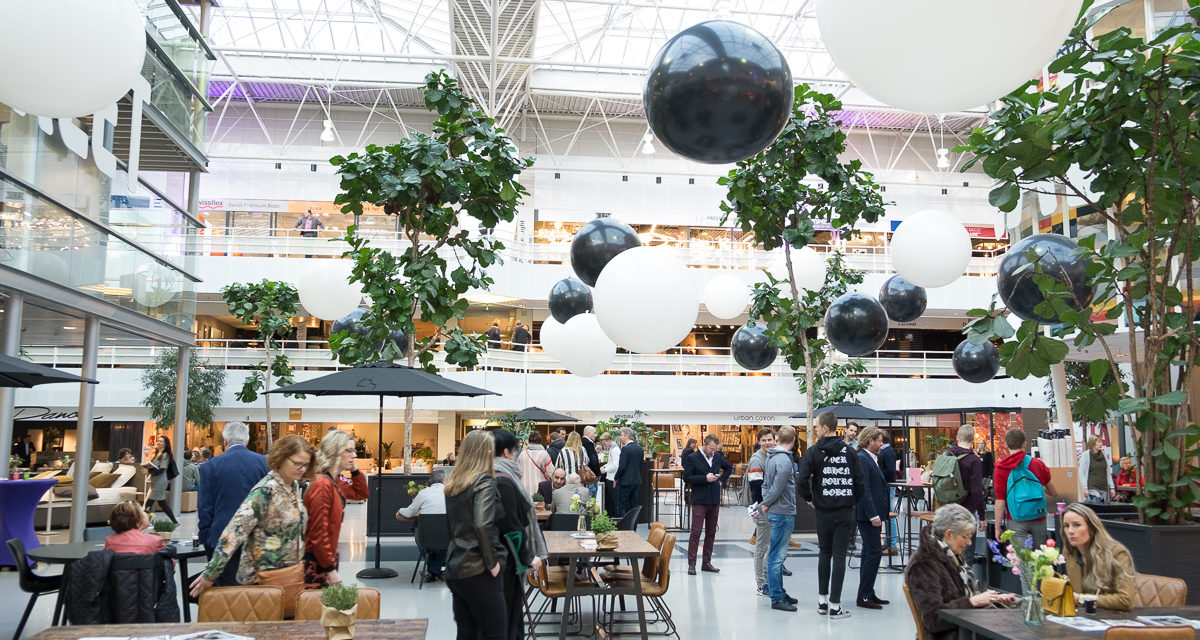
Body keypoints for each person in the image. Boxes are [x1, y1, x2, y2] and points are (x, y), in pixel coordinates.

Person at [190, 435, 315, 596]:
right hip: (262, 581)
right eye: (297, 463)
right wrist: (211, 573)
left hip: (286, 577)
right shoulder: (266, 491)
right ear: (281, 458)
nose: (303, 469)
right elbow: (234, 531)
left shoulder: (291, 487)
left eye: (306, 464)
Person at [905, 504, 1016, 640]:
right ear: (949, 534)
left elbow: (961, 595)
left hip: (965, 629)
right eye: (965, 537)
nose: (969, 542)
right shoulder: (923, 564)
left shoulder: (949, 554)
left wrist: (991, 600)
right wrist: (972, 602)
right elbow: (932, 619)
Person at [798, 411, 863, 620]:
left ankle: (822, 600)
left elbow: (802, 479)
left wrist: (810, 498)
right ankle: (835, 605)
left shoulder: (814, 452)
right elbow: (860, 482)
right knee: (840, 556)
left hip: (823, 510)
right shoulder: (850, 452)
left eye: (817, 426)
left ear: (825, 428)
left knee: (824, 553)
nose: (816, 430)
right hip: (844, 510)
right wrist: (852, 500)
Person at [444, 430, 506, 640]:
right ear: (486, 452)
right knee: (495, 633)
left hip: (455, 567)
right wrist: (492, 563)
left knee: (467, 631)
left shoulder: (454, 485)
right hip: (478, 568)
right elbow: (482, 524)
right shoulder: (485, 482)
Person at [197, 421, 270, 586]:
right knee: (255, 592)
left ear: (225, 440)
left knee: (226, 593)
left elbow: (205, 506)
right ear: (247, 439)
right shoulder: (264, 464)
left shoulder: (211, 466)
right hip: (256, 538)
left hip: (221, 537)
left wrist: (206, 538)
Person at [492, 428, 548, 640]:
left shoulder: (489, 474)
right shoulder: (504, 480)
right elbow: (511, 525)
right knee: (511, 616)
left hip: (501, 557)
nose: (516, 454)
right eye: (514, 451)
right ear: (506, 452)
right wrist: (526, 556)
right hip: (509, 560)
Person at [304, 430, 368, 587]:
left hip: (326, 558)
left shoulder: (334, 481)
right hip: (318, 563)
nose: (354, 456)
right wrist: (330, 569)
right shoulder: (323, 485)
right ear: (334, 452)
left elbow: (362, 493)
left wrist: (354, 470)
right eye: (349, 450)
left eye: (354, 450)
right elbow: (318, 532)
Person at [1060, 502, 1136, 611]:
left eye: (1076, 525)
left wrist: (1082, 599)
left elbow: (1126, 600)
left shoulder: (1117, 553)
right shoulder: (1071, 554)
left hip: (1113, 619)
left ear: (1091, 528)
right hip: (1084, 619)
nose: (1070, 531)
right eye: (1066, 526)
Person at [758, 425, 799, 612]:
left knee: (777, 555)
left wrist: (767, 502)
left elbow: (768, 484)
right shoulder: (783, 460)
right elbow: (777, 486)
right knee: (776, 556)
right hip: (782, 511)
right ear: (793, 440)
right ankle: (776, 596)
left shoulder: (772, 457)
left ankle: (779, 591)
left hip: (777, 510)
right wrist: (766, 502)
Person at [994, 428, 1057, 548]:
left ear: (1006, 444)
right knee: (1042, 558)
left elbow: (1000, 502)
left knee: (1021, 561)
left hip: (1015, 518)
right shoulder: (1038, 464)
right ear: (1025, 443)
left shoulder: (1001, 468)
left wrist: (998, 527)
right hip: (1039, 516)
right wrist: (1040, 487)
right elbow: (1054, 492)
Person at [683, 434, 732, 575]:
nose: (713, 452)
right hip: (699, 499)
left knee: (711, 532)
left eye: (715, 449)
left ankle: (706, 562)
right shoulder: (692, 458)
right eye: (711, 449)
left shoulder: (717, 457)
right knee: (696, 532)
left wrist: (721, 480)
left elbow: (728, 468)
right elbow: (687, 477)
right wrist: (705, 478)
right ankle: (691, 564)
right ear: (704, 445)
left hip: (714, 499)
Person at [854, 426, 890, 610]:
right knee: (874, 551)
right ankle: (865, 595)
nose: (881, 444)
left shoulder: (870, 458)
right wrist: (873, 514)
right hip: (867, 515)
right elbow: (864, 489)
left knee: (870, 551)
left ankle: (867, 592)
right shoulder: (862, 459)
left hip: (870, 513)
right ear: (870, 441)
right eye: (879, 440)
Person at [398, 469, 448, 579]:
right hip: (448, 538)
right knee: (444, 540)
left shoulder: (423, 493)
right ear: (444, 481)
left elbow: (410, 512)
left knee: (418, 532)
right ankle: (436, 570)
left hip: (426, 537)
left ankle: (433, 570)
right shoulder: (451, 492)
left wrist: (400, 510)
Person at [948, 425, 986, 555]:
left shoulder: (948, 455)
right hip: (967, 510)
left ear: (957, 438)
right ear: (972, 440)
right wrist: (982, 516)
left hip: (949, 509)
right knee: (966, 553)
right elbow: (976, 491)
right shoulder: (973, 460)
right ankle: (963, 575)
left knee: (950, 552)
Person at [747, 428, 776, 597]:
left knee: (769, 546)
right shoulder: (757, 460)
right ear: (759, 441)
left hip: (769, 508)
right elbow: (756, 488)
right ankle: (761, 583)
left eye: (769, 439)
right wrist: (763, 507)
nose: (767, 443)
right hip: (762, 509)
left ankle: (767, 580)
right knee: (762, 547)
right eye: (764, 440)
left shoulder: (770, 456)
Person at [143, 435, 179, 524]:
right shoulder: (157, 454)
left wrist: (149, 472)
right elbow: (154, 466)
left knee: (149, 502)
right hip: (155, 480)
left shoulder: (165, 455)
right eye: (158, 441)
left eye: (161, 441)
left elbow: (162, 469)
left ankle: (142, 521)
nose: (158, 442)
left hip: (160, 481)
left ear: (166, 444)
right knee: (162, 503)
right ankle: (174, 522)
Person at [878, 430, 900, 555]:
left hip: (888, 485)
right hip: (886, 485)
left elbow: (891, 471)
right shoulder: (886, 451)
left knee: (889, 513)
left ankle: (892, 544)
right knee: (887, 514)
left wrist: (879, 474)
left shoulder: (887, 452)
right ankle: (888, 542)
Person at [614, 427, 643, 518]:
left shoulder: (625, 449)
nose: (620, 437)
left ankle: (624, 528)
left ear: (626, 436)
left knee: (622, 506)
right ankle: (633, 528)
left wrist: (616, 478)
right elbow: (640, 465)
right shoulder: (640, 449)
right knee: (633, 507)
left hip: (625, 482)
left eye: (621, 435)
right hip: (636, 481)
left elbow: (622, 467)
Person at [1078, 436, 1116, 504]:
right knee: (1097, 504)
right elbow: (1081, 472)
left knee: (1103, 508)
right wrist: (1085, 488)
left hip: (1103, 486)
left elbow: (1107, 471)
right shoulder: (1086, 455)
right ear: (1093, 443)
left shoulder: (1103, 454)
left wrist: (1112, 487)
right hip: (1092, 486)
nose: (1101, 444)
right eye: (1098, 442)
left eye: (1101, 442)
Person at [518, 431, 553, 497]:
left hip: (523, 487)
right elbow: (551, 473)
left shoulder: (522, 454)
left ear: (529, 441)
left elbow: (517, 471)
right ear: (540, 441)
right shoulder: (544, 454)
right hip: (540, 487)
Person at [600, 432, 621, 513]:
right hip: (611, 478)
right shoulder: (612, 449)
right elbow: (611, 463)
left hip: (612, 479)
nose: (603, 444)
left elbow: (616, 466)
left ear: (608, 440)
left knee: (614, 501)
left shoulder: (615, 450)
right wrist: (604, 467)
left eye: (604, 442)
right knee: (612, 501)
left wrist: (605, 470)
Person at [580, 425, 602, 495]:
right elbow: (593, 460)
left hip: (584, 475)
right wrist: (598, 474)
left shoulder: (581, 442)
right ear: (588, 433)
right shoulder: (588, 443)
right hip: (590, 476)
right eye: (594, 433)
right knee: (591, 499)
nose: (596, 435)